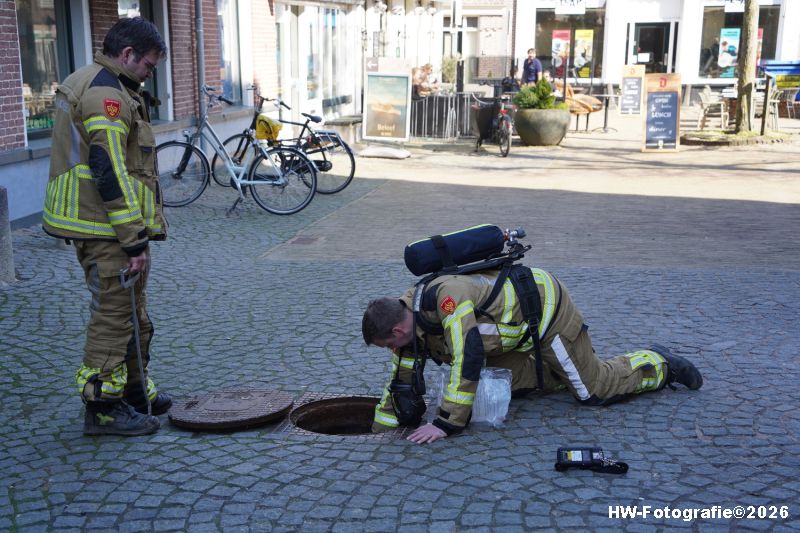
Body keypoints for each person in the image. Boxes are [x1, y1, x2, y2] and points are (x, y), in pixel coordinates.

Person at [363, 267, 703, 444]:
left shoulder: (447, 300)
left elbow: (468, 355)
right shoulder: (407, 322)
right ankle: (560, 372)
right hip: (509, 336)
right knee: (517, 386)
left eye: (388, 345)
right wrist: (382, 428)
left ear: (395, 331)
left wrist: (445, 423)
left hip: (546, 313)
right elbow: (402, 379)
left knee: (593, 390)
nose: (393, 351)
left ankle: (658, 363)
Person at [42, 17, 170, 436]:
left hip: (106, 226)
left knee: (132, 311)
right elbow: (109, 168)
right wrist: (133, 240)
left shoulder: (106, 83)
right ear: (128, 54)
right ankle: (102, 409)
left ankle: (134, 393)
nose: (150, 74)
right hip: (105, 229)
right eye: (148, 66)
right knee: (114, 316)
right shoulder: (105, 94)